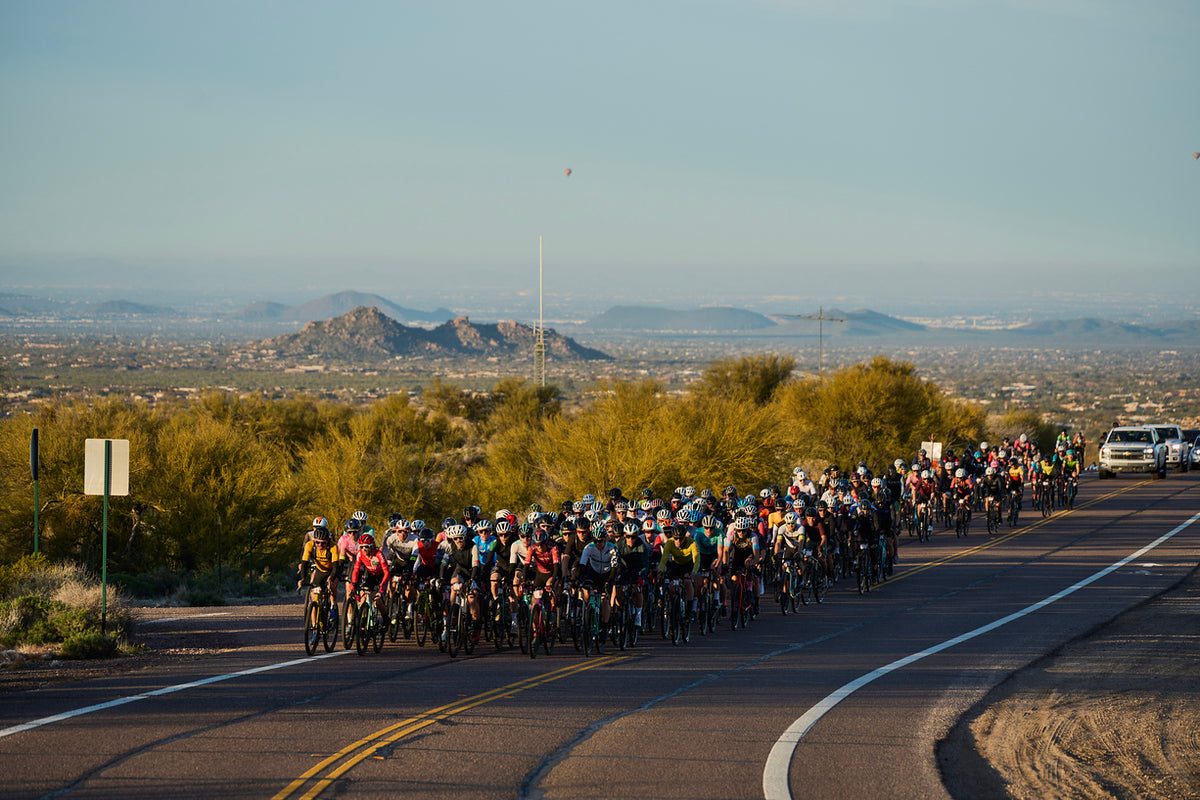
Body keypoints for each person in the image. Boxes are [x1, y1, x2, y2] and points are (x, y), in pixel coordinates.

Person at [350, 531, 391, 629]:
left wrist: (382, 587)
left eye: (366, 547)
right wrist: (354, 583)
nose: (364, 549)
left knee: (378, 600)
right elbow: (356, 570)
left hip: (381, 576)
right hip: (370, 575)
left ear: (372, 546)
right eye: (361, 547)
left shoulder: (379, 554)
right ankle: (364, 621)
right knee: (364, 597)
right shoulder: (360, 554)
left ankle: (386, 618)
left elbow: (387, 572)